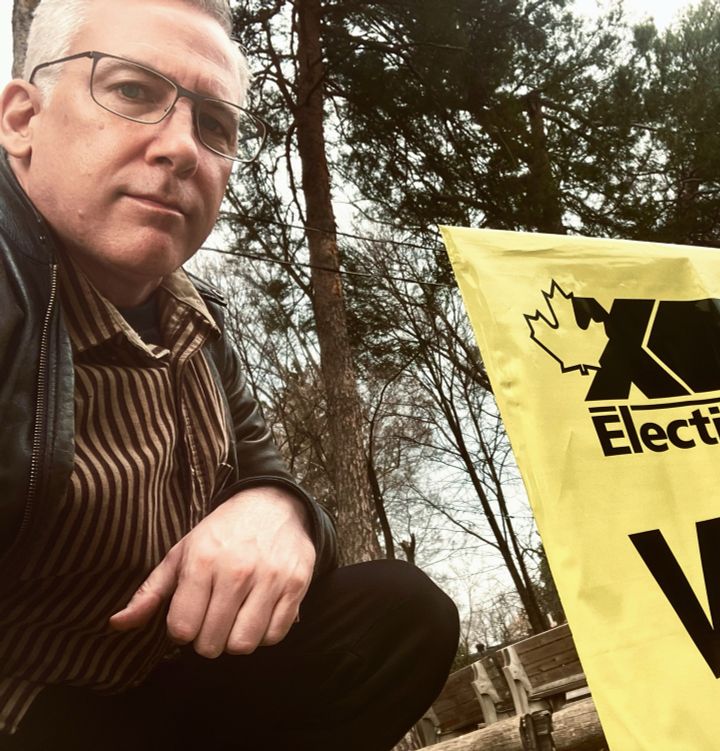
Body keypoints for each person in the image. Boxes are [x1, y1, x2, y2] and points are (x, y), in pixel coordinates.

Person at [0, 0, 459, 748]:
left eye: (215, 124)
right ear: (22, 119)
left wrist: (283, 509)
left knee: (401, 614)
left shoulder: (196, 322)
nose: (180, 147)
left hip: (165, 686)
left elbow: (266, 479)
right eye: (133, 91)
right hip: (34, 715)